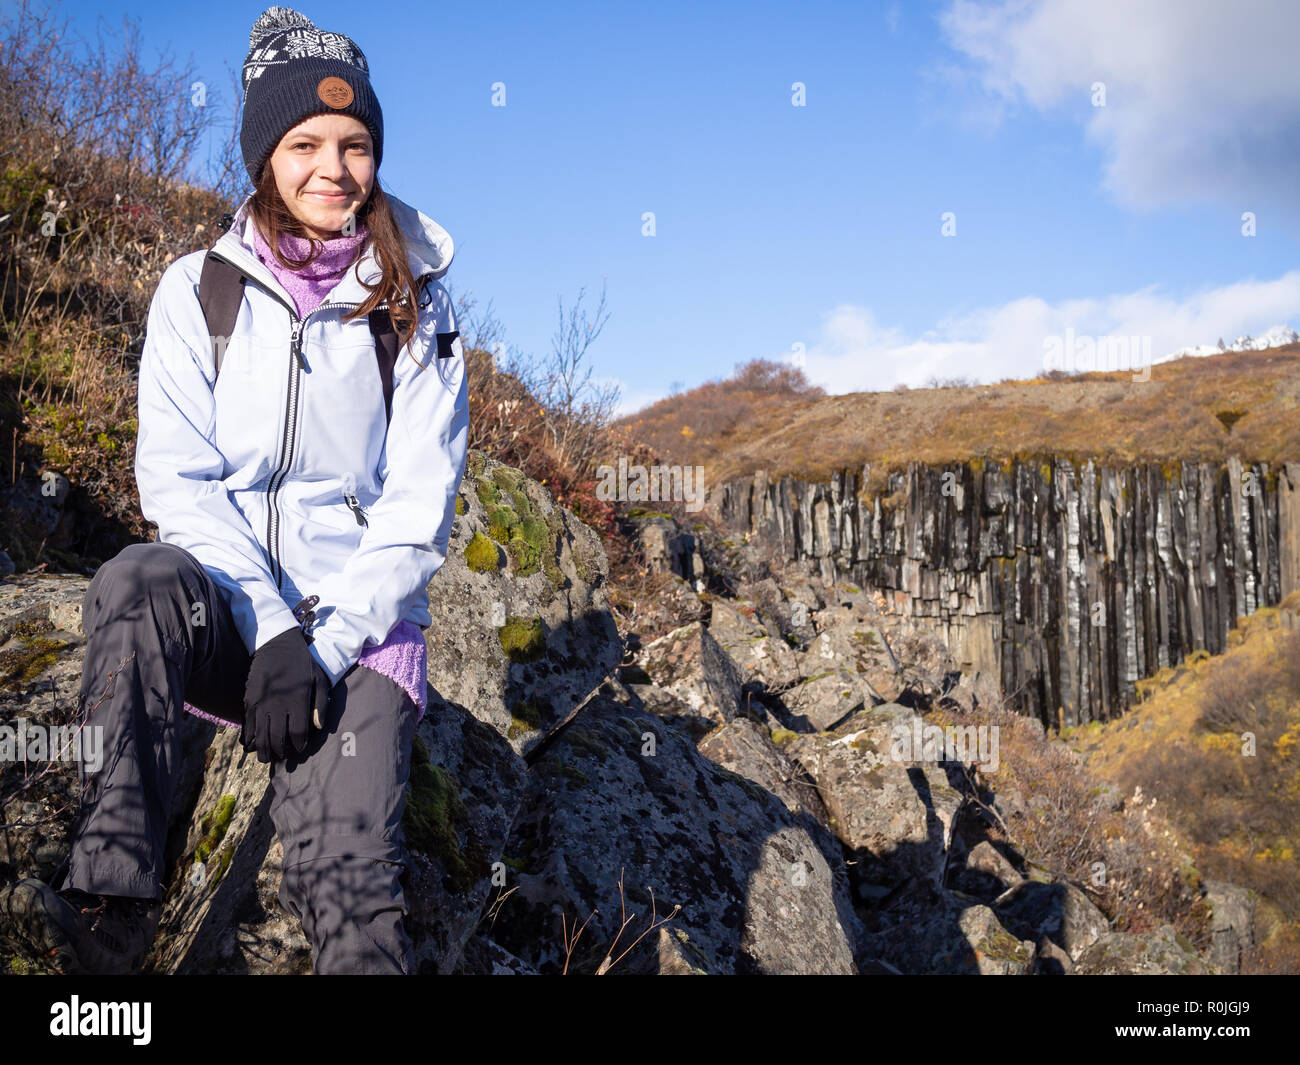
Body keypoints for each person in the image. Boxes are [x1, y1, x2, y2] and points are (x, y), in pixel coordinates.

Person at [0, 6, 468, 975]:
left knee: (353, 896)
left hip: (358, 644)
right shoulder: (194, 293)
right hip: (230, 619)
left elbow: (417, 513)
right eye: (304, 143)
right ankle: (112, 911)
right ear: (264, 153)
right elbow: (178, 481)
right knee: (134, 583)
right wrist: (270, 628)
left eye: (354, 144)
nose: (331, 168)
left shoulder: (415, 307)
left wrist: (323, 645)